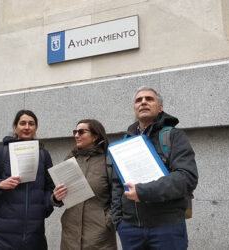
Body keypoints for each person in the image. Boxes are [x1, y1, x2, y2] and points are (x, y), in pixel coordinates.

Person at [111, 86, 198, 250]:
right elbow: (117, 184)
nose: (143, 102)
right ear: (135, 108)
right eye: (138, 100)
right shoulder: (124, 141)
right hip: (130, 230)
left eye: (149, 99)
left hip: (167, 228)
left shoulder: (173, 136)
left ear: (160, 108)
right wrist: (119, 222)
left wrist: (143, 192)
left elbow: (186, 177)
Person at [0, 110, 54, 250]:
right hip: (0, 236)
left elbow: (50, 187)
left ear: (36, 128)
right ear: (15, 127)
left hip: (34, 236)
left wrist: (44, 208)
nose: (27, 127)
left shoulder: (44, 155)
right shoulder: (1, 152)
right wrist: (0, 184)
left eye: (31, 124)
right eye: (23, 123)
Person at [53, 119, 117, 250]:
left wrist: (108, 222)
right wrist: (56, 197)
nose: (76, 135)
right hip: (70, 236)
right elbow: (59, 197)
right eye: (75, 132)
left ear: (95, 136)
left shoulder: (109, 160)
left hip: (99, 237)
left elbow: (119, 196)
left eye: (81, 132)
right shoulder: (71, 159)